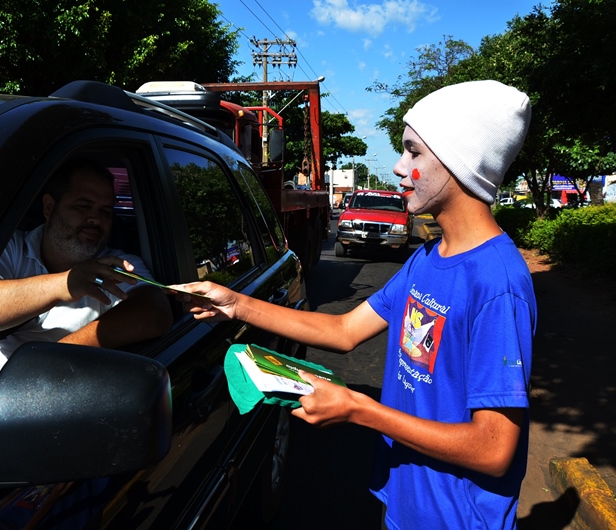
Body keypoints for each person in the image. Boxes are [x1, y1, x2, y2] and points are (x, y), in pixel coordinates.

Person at [170, 80, 535, 529]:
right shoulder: (428, 257)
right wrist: (235, 303)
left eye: (414, 152)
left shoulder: (498, 283)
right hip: (405, 503)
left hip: (457, 518)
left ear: (461, 162)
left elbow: (494, 450)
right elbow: (344, 332)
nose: (400, 167)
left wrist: (358, 409)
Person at [0, 158, 173, 395]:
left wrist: (53, 357)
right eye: (83, 206)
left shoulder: (117, 265)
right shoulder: (11, 248)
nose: (95, 219)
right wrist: (65, 284)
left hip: (41, 399)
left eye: (105, 211)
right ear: (49, 207)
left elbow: (156, 311)